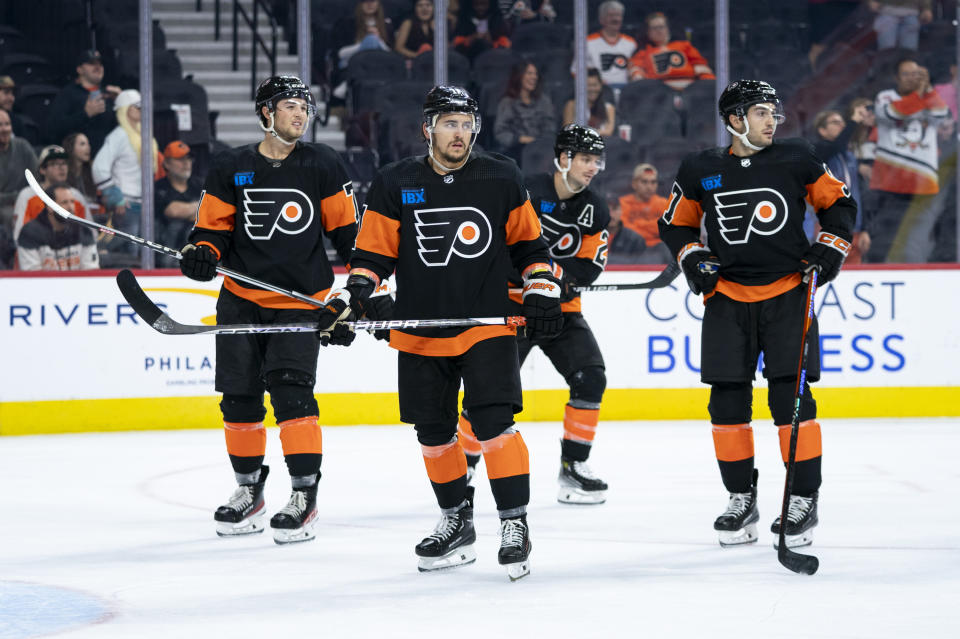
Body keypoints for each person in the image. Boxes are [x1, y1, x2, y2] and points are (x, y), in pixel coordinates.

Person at [316, 86, 561, 579]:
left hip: (485, 325)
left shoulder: (501, 175)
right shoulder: (396, 181)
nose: (460, 132)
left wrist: (541, 291)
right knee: (433, 433)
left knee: (493, 423)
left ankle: (514, 523)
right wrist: (359, 296)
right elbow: (371, 257)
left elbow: (531, 249)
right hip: (421, 328)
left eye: (467, 123)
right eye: (449, 123)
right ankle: (456, 520)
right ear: (427, 128)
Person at [658, 80, 856, 550]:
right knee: (726, 403)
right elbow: (675, 223)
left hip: (788, 292)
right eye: (762, 112)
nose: (772, 121)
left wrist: (827, 251)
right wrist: (692, 256)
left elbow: (840, 205)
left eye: (774, 112)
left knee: (791, 400)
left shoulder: (798, 157)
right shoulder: (701, 168)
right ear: (735, 120)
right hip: (727, 297)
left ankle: (803, 498)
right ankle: (740, 497)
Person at [177, 76, 363, 545]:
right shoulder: (230, 166)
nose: (300, 114)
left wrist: (360, 292)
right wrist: (202, 253)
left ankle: (304, 496)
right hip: (241, 299)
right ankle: (249, 491)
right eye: (290, 106)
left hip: (302, 303)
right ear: (266, 113)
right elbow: (211, 232)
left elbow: (350, 238)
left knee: (292, 396)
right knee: (238, 399)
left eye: (305, 107)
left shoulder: (321, 163)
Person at [457, 124, 611, 504]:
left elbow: (590, 267)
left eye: (597, 160)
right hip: (511, 306)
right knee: (487, 392)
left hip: (562, 312)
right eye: (586, 159)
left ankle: (573, 467)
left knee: (590, 377)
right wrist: (555, 273)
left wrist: (563, 277)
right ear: (563, 159)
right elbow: (498, 248)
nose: (593, 167)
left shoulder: (596, 209)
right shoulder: (523, 191)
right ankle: (464, 463)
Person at [867, 56, 949, 262]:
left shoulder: (929, 97)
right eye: (906, 74)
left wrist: (928, 89)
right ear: (896, 77)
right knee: (886, 235)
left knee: (919, 235)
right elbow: (893, 113)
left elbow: (942, 115)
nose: (912, 78)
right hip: (891, 180)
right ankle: (879, 271)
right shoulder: (885, 96)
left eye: (916, 74)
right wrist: (920, 93)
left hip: (924, 182)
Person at [92, 89, 161, 262]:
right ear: (125, 109)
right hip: (127, 203)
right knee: (129, 248)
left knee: (143, 248)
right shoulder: (119, 135)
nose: (141, 110)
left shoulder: (144, 135)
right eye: (136, 106)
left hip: (142, 203)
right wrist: (114, 196)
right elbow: (99, 167)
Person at [812, 107, 871, 263]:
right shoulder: (818, 152)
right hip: (830, 226)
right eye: (835, 122)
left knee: (854, 274)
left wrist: (864, 229)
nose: (842, 125)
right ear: (822, 130)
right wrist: (854, 122)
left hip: (854, 227)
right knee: (829, 272)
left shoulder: (849, 156)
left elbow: (859, 192)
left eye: (843, 122)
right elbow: (835, 146)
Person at [47, 50, 120, 156]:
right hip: (76, 163)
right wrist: (85, 114)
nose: (97, 67)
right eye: (91, 63)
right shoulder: (68, 94)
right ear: (80, 69)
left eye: (100, 64)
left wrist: (122, 101)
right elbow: (53, 129)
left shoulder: (109, 94)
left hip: (106, 159)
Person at [13, 145, 89, 242]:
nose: (62, 167)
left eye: (64, 163)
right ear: (42, 169)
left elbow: (89, 235)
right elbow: (19, 236)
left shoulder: (77, 196)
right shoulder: (27, 196)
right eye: (54, 164)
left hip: (73, 253)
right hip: (36, 251)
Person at [17, 183, 98, 271]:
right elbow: (32, 276)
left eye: (72, 201)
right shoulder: (30, 233)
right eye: (64, 202)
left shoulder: (83, 231)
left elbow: (91, 272)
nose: (71, 207)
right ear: (50, 207)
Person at [628, 12, 715, 91]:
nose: (659, 31)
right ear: (648, 32)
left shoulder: (684, 46)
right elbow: (636, 71)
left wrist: (710, 86)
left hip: (690, 89)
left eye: (661, 27)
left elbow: (701, 67)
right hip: (659, 93)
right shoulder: (644, 52)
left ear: (667, 29)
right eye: (654, 28)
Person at [493, 61, 555, 162]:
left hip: (541, 151)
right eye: (529, 73)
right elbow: (500, 133)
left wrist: (538, 142)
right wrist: (520, 139)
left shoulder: (544, 101)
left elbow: (550, 129)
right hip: (515, 152)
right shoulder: (507, 102)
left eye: (535, 74)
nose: (534, 77)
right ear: (519, 76)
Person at [155, 140, 202, 266]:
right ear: (167, 164)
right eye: (180, 159)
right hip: (168, 253)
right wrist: (200, 207)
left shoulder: (199, 184)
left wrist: (188, 211)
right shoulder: (159, 187)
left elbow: (213, 211)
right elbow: (173, 211)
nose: (186, 163)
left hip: (198, 251)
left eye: (189, 159)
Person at [616, 163, 672, 263]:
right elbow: (623, 231)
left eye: (653, 182)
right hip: (629, 251)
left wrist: (637, 225)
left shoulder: (664, 203)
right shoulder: (622, 203)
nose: (649, 187)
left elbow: (668, 230)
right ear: (634, 183)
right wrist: (654, 226)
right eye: (644, 182)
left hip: (659, 252)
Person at [0, 108, 37, 235]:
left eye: (7, 124)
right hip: (5, 209)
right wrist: (17, 196)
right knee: (9, 214)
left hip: (28, 200)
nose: (5, 129)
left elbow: (36, 180)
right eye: (0, 125)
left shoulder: (22, 146)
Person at [583, 1, 636, 88]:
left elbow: (634, 68)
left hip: (626, 92)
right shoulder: (587, 42)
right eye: (611, 15)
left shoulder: (631, 43)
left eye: (618, 15)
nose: (615, 19)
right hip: (599, 92)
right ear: (601, 19)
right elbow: (577, 71)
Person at [562, 68, 616, 137]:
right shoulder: (572, 105)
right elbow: (568, 130)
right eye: (588, 85)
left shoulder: (608, 108)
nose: (592, 89)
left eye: (595, 85)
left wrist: (583, 132)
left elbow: (609, 132)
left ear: (601, 86)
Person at [62, 132, 101, 218]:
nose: (88, 148)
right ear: (71, 148)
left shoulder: (92, 172)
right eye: (83, 144)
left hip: (94, 217)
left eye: (88, 144)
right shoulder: (63, 173)